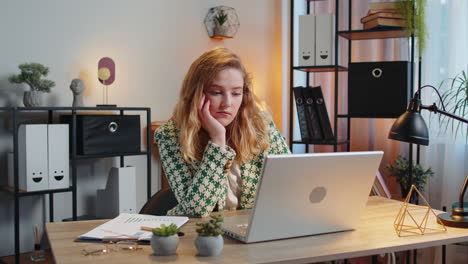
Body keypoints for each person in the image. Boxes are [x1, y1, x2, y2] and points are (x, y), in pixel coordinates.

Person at [155, 47, 290, 217]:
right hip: (200, 234)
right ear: (196, 93)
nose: (227, 103)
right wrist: (218, 140)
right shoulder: (169, 136)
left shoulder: (260, 124)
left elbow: (290, 184)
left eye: (236, 93)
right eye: (217, 92)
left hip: (255, 230)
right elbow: (196, 210)